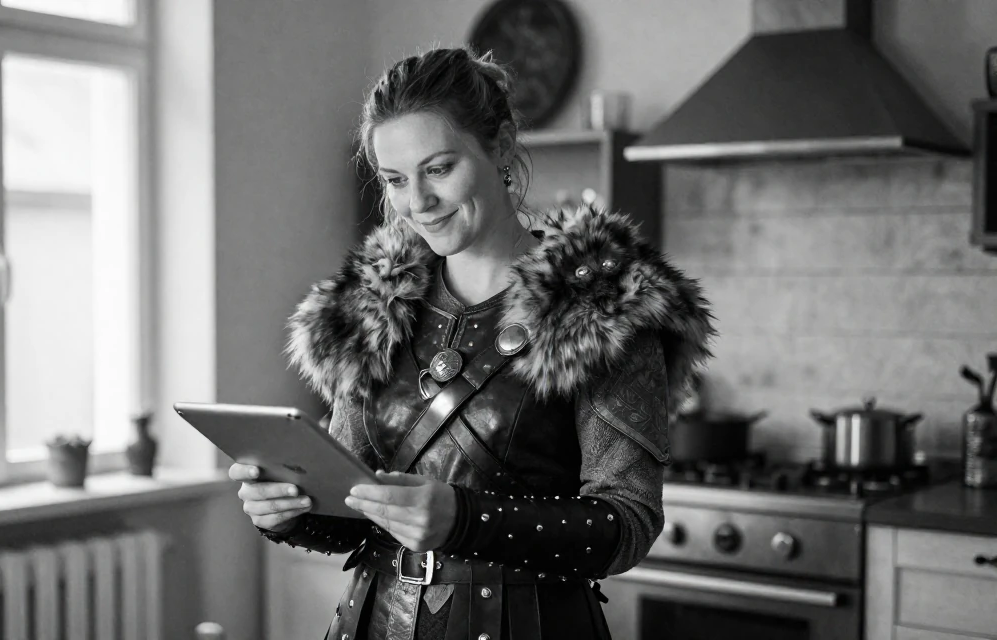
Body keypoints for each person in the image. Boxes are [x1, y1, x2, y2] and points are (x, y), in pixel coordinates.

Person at [230, 47, 714, 640]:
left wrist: (464, 518)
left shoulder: (601, 303)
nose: (417, 203)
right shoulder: (372, 307)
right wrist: (290, 513)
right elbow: (358, 515)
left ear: (503, 146)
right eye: (395, 180)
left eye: (438, 169)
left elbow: (627, 524)